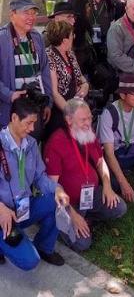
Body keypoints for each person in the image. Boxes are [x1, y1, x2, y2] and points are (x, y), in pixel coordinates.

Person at [43, 99, 126, 251]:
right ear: (69, 120)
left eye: (90, 118)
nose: (88, 123)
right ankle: (63, 224)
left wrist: (107, 186)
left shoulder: (88, 133)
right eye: (83, 120)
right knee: (83, 244)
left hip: (91, 193)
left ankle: (87, 217)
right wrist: (73, 215)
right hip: (69, 202)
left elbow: (101, 162)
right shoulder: (56, 143)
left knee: (120, 208)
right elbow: (52, 188)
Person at [0, 98, 69, 270]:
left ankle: (44, 247)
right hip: (3, 213)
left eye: (34, 123)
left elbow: (40, 176)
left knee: (56, 201)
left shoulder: (30, 144)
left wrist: (58, 189)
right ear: (14, 118)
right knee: (30, 262)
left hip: (23, 208)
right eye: (29, 123)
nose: (32, 129)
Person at [0, 0, 53, 136]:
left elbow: (45, 71)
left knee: (33, 147)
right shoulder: (2, 39)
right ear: (12, 15)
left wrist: (48, 101)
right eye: (26, 13)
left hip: (35, 106)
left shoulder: (36, 37)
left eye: (34, 13)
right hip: (11, 109)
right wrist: (9, 95)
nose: (31, 17)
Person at [69, 0, 124, 96]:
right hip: (82, 47)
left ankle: (100, 105)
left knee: (109, 78)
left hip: (103, 48)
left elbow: (120, 22)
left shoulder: (113, 1)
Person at [44, 20, 89, 136]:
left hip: (76, 103)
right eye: (72, 35)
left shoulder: (70, 53)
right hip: (60, 111)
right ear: (64, 40)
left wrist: (85, 85)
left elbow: (80, 77)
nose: (74, 37)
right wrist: (72, 114)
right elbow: (54, 93)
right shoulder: (49, 57)